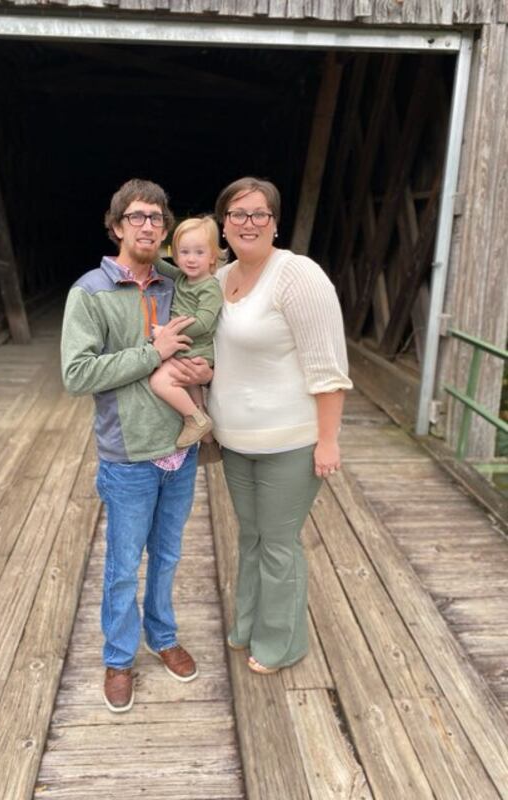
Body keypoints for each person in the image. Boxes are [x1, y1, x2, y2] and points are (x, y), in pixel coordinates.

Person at [61, 178, 207, 714]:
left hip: (181, 447)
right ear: (117, 224)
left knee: (167, 555)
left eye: (156, 218)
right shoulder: (90, 292)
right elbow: (76, 375)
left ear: (166, 230)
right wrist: (153, 351)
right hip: (127, 456)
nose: (148, 226)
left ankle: (162, 637)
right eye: (137, 217)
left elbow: (219, 320)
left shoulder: (178, 281)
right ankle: (119, 658)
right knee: (124, 564)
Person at [205, 176, 353, 674]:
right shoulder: (220, 279)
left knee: (278, 542)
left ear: (274, 221)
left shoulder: (298, 276)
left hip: (290, 440)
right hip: (235, 439)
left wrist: (328, 440)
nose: (249, 223)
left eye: (259, 213)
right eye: (238, 214)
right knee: (251, 536)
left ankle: (280, 643)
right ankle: (247, 624)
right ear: (223, 224)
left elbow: (328, 367)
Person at [149, 216, 224, 449]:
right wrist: (150, 243)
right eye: (184, 252)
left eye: (199, 252)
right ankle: (208, 442)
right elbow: (159, 264)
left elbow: (203, 323)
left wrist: (168, 331)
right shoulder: (182, 277)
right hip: (187, 347)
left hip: (196, 349)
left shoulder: (209, 286)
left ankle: (196, 419)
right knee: (192, 388)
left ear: (212, 256)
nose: (191, 259)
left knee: (159, 382)